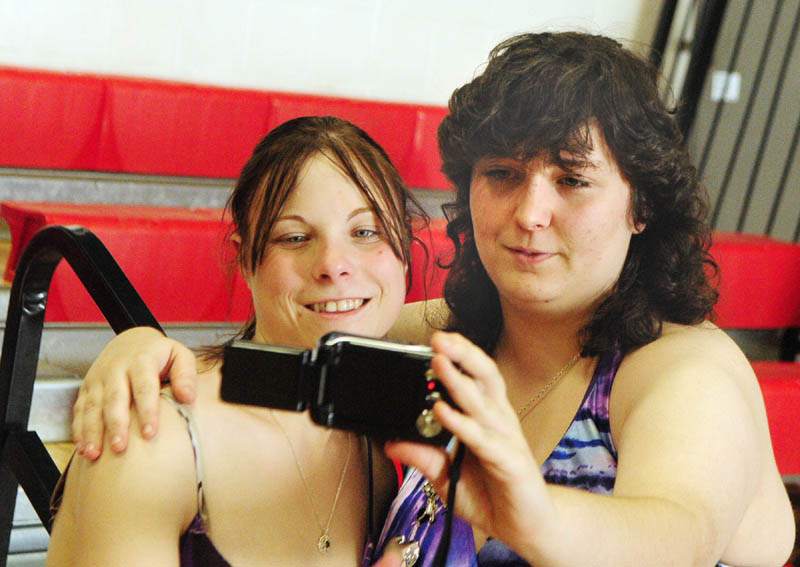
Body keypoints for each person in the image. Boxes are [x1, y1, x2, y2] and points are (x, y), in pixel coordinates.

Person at [69, 32, 795, 566]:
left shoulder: (683, 368)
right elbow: (300, 335)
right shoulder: (455, 334)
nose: (529, 212)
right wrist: (142, 351)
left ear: (642, 206)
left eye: (572, 180)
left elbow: (678, 534)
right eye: (503, 173)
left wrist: (534, 517)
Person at [47, 115, 446, 566]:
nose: (334, 264)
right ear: (244, 258)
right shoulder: (155, 442)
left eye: (365, 231)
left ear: (405, 247)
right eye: (294, 237)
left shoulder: (390, 424)